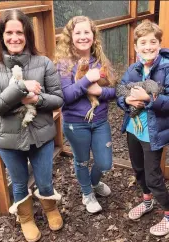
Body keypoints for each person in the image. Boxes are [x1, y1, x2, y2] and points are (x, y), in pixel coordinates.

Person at [0, 9, 64, 242]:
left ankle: (50, 208)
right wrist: (20, 90)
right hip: (8, 140)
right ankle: (25, 218)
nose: (14, 37)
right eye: (9, 32)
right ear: (1, 36)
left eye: (20, 32)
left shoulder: (43, 62)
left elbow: (58, 99)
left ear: (27, 35)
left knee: (45, 179)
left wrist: (36, 99)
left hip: (41, 135)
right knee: (19, 182)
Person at [116, 20, 169, 236]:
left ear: (159, 44)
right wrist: (126, 102)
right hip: (134, 129)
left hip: (153, 132)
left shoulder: (168, 69)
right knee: (138, 169)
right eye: (142, 42)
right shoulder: (134, 69)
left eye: (152, 42)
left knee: (153, 175)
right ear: (136, 47)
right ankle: (147, 201)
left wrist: (148, 100)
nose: (148, 46)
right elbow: (120, 92)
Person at [55, 16, 116, 213]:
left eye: (86, 32)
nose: (83, 36)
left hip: (99, 120)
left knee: (104, 162)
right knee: (81, 160)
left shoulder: (100, 60)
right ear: (70, 37)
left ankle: (93, 182)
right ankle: (87, 193)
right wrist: (87, 80)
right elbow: (66, 96)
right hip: (76, 123)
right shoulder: (64, 64)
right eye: (78, 33)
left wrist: (100, 92)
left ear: (93, 35)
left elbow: (114, 90)